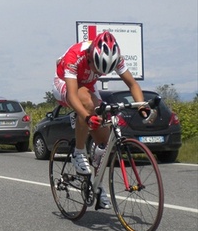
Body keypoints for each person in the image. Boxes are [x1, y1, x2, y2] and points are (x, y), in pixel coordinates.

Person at [53, 31, 149, 209]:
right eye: (97, 68)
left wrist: (141, 106)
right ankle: (78, 153)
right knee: (87, 104)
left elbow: (132, 84)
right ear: (90, 55)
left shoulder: (116, 58)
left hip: (88, 86)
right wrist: (87, 117)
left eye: (104, 71)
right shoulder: (75, 55)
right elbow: (73, 95)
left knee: (104, 142)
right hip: (64, 83)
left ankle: (96, 185)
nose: (98, 72)